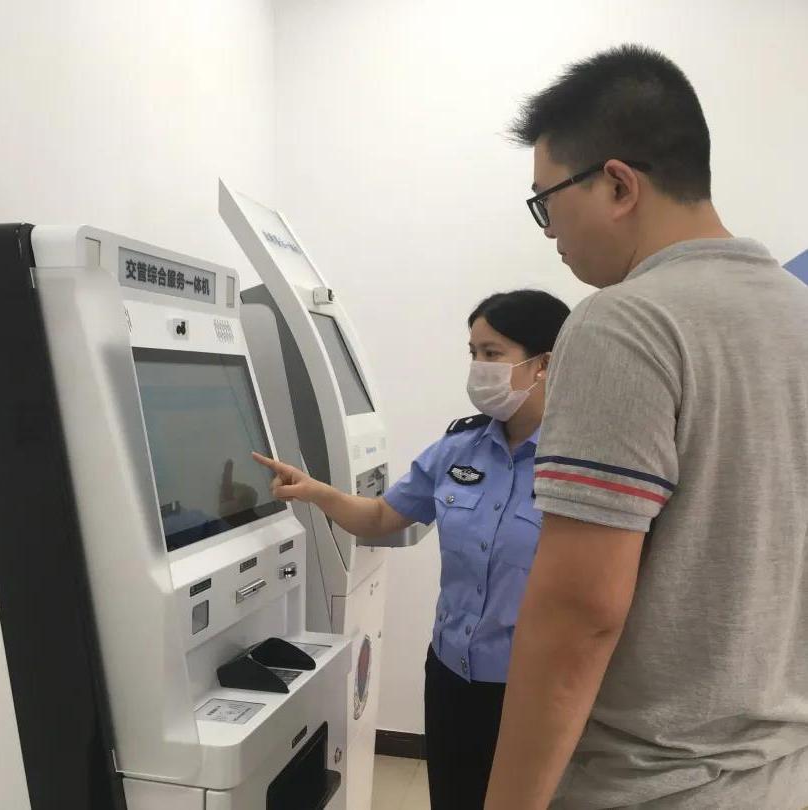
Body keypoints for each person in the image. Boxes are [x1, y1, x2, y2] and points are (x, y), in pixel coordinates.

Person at [484, 45, 808, 810]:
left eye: (545, 200)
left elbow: (579, 614)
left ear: (617, 184)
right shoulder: (796, 311)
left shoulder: (624, 323)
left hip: (649, 785)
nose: (549, 232)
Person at [253, 289, 569, 810]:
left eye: (492, 353)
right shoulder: (459, 448)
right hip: (450, 675)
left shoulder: (580, 460)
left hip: (534, 690)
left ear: (544, 363)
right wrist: (315, 491)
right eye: (473, 352)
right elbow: (382, 517)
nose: (478, 367)